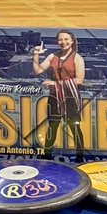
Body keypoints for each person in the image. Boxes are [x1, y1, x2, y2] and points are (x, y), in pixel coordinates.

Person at [33, 29, 85, 159]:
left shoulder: (77, 58)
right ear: (57, 42)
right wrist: (36, 55)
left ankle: (80, 156)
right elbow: (38, 70)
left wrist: (56, 84)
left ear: (72, 41)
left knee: (74, 127)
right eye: (60, 39)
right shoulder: (52, 57)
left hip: (71, 98)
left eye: (66, 39)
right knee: (52, 127)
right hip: (55, 98)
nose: (63, 42)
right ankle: (47, 156)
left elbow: (79, 80)